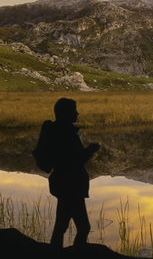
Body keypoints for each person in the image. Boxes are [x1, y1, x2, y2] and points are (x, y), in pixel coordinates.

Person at [39, 97, 100, 248]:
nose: (77, 114)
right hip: (71, 186)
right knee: (83, 227)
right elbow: (73, 162)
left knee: (61, 225)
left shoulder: (57, 131)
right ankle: (75, 253)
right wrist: (90, 151)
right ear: (65, 113)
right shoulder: (66, 134)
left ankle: (55, 252)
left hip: (62, 184)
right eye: (74, 110)